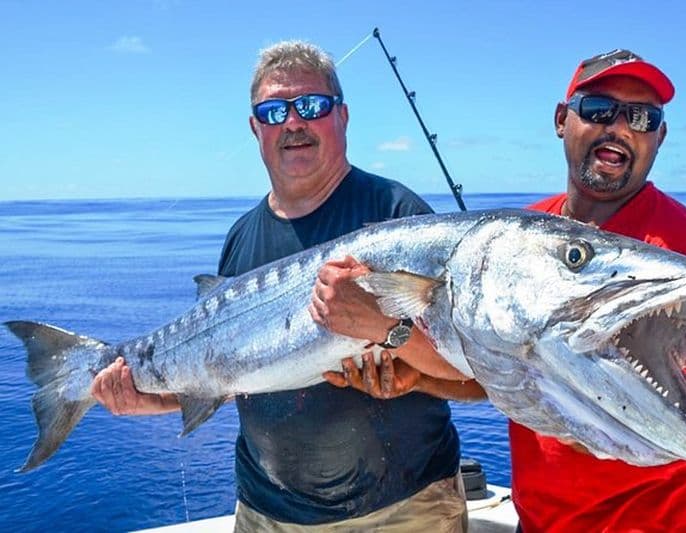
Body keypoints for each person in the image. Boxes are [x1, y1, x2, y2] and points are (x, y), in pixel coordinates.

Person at [90, 40, 474, 532]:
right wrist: (154, 397)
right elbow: (236, 373)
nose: (293, 122)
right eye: (274, 111)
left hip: (402, 509)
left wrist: (387, 329)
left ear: (343, 117)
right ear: (256, 128)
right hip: (266, 513)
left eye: (312, 106)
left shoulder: (398, 217)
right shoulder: (241, 237)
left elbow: (471, 372)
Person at [509, 49, 686, 532]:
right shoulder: (522, 235)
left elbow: (653, 415)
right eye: (598, 109)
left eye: (641, 117)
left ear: (660, 136)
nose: (619, 127)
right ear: (561, 119)